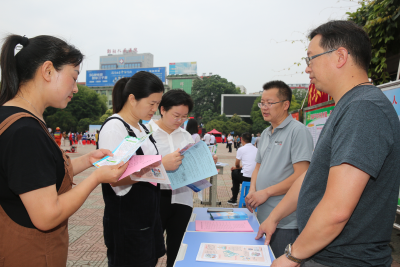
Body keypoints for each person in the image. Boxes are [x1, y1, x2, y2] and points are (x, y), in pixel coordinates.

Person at [256, 20, 400, 267]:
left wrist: (292, 255)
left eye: (311, 58)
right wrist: (275, 217)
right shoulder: (348, 107)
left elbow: (337, 209)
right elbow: (313, 177)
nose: (307, 69)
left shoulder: (363, 109)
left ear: (340, 56)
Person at [0, 34, 127, 266]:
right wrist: (97, 177)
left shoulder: (12, 117)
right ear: (48, 71)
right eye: (74, 77)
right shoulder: (25, 131)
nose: (76, 88)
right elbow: (48, 216)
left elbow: (37, 177)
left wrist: (88, 160)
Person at [98, 72, 182, 267]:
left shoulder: (142, 129)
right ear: (132, 99)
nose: (155, 109)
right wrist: (160, 165)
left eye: (157, 103)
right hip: (126, 220)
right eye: (151, 103)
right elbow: (114, 177)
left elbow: (144, 164)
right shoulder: (115, 128)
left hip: (148, 216)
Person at [245, 80, 313, 257]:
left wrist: (266, 192)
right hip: (263, 216)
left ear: (285, 105)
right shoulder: (266, 132)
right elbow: (257, 167)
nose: (264, 107)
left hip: (285, 222)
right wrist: (253, 191)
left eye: (270, 103)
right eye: (262, 103)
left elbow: (302, 175)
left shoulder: (298, 131)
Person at [147, 89, 194, 267]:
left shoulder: (186, 136)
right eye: (176, 115)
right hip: (155, 197)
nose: (180, 121)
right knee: (150, 248)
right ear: (163, 109)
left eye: (184, 117)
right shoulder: (146, 133)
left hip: (182, 198)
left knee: (178, 249)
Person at [227, 132, 258, 205]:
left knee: (234, 173)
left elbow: (237, 164)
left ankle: (234, 198)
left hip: (246, 177)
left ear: (242, 140)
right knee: (237, 172)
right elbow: (250, 164)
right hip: (255, 177)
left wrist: (236, 168)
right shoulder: (257, 149)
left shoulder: (241, 149)